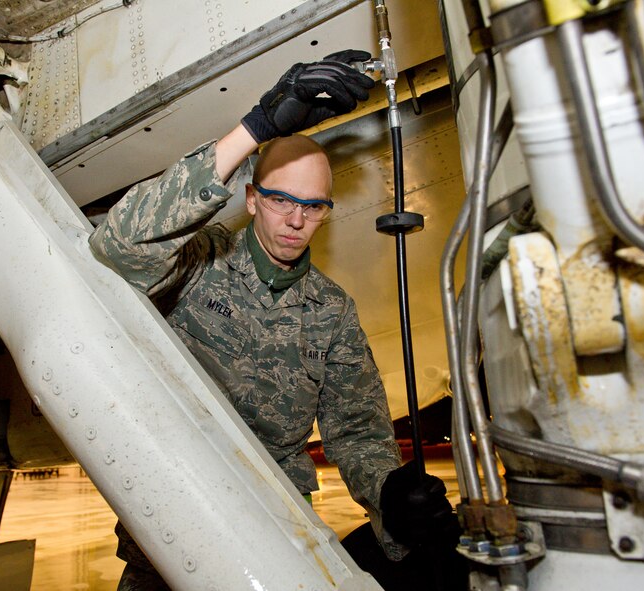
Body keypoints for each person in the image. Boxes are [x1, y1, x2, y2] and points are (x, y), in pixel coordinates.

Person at [90, 50, 463, 590]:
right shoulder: (197, 262)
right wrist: (254, 128)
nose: (295, 219)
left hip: (275, 526)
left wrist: (388, 494)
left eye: (313, 207)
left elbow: (357, 430)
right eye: (280, 200)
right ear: (250, 197)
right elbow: (119, 245)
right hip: (171, 518)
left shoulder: (331, 311)